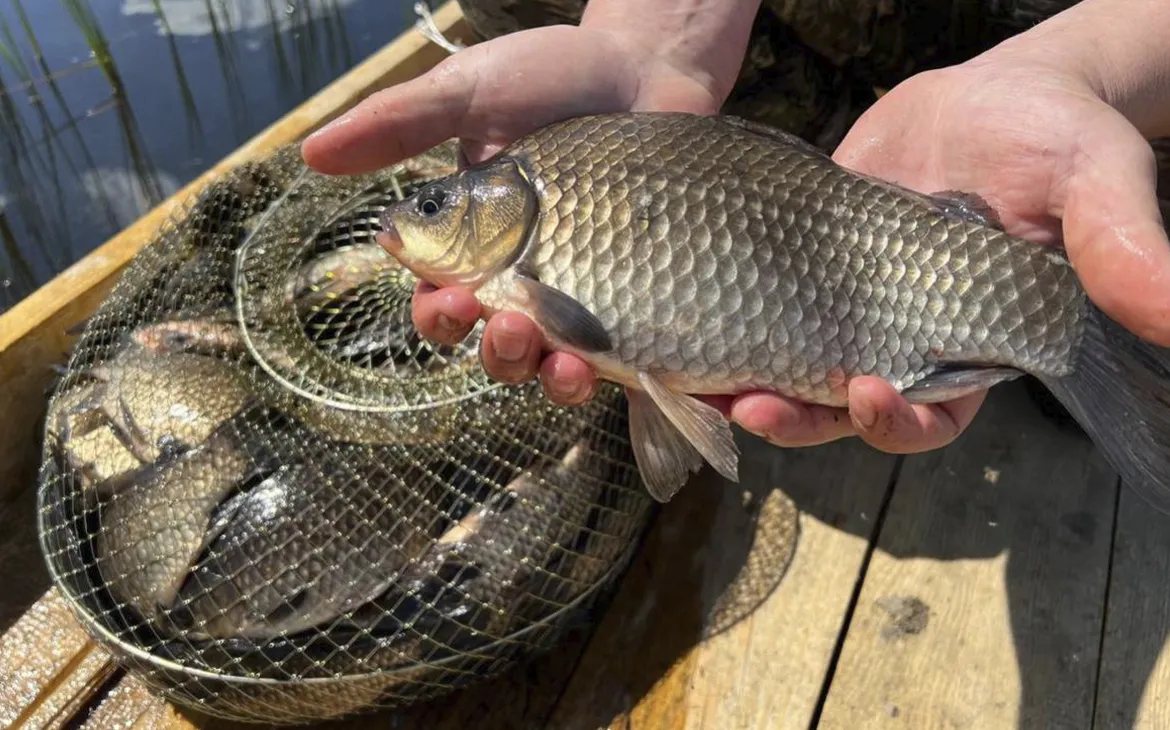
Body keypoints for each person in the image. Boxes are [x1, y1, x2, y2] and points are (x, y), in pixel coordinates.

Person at [301, 0, 1170, 456]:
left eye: (436, 205)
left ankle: (1081, 355)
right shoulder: (539, 213)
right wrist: (653, 38)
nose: (421, 219)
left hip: (1006, 37)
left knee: (1102, 316)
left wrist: (1081, 63)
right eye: (432, 205)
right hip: (822, 177)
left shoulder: (532, 248)